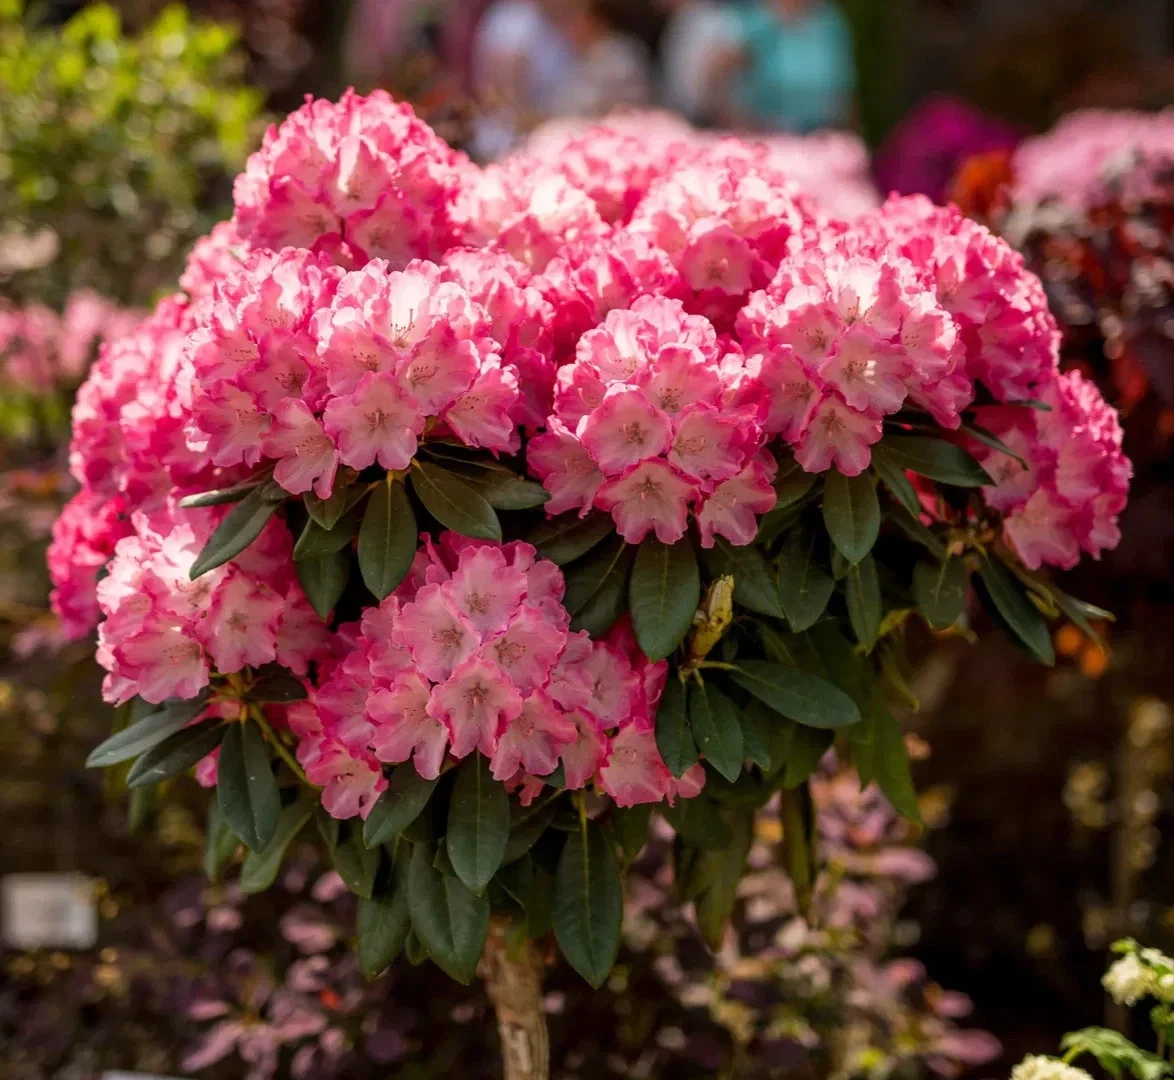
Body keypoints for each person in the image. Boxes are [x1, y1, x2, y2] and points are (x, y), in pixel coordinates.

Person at [725, 0, 856, 133]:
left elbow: (843, 88)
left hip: (823, 129)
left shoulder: (829, 21)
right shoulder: (755, 21)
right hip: (768, 129)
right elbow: (730, 78)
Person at [468, 0, 574, 158]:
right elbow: (500, 94)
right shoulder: (514, 20)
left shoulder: (549, 19)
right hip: (507, 141)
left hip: (539, 135)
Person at [548, 0, 655, 118]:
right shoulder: (576, 55)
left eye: (576, 17)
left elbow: (625, 108)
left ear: (597, 19)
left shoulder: (620, 55)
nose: (568, 26)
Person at [658, 0, 741, 126]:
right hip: (683, 116)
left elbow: (719, 73)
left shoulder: (712, 20)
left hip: (709, 119)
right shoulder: (679, 21)